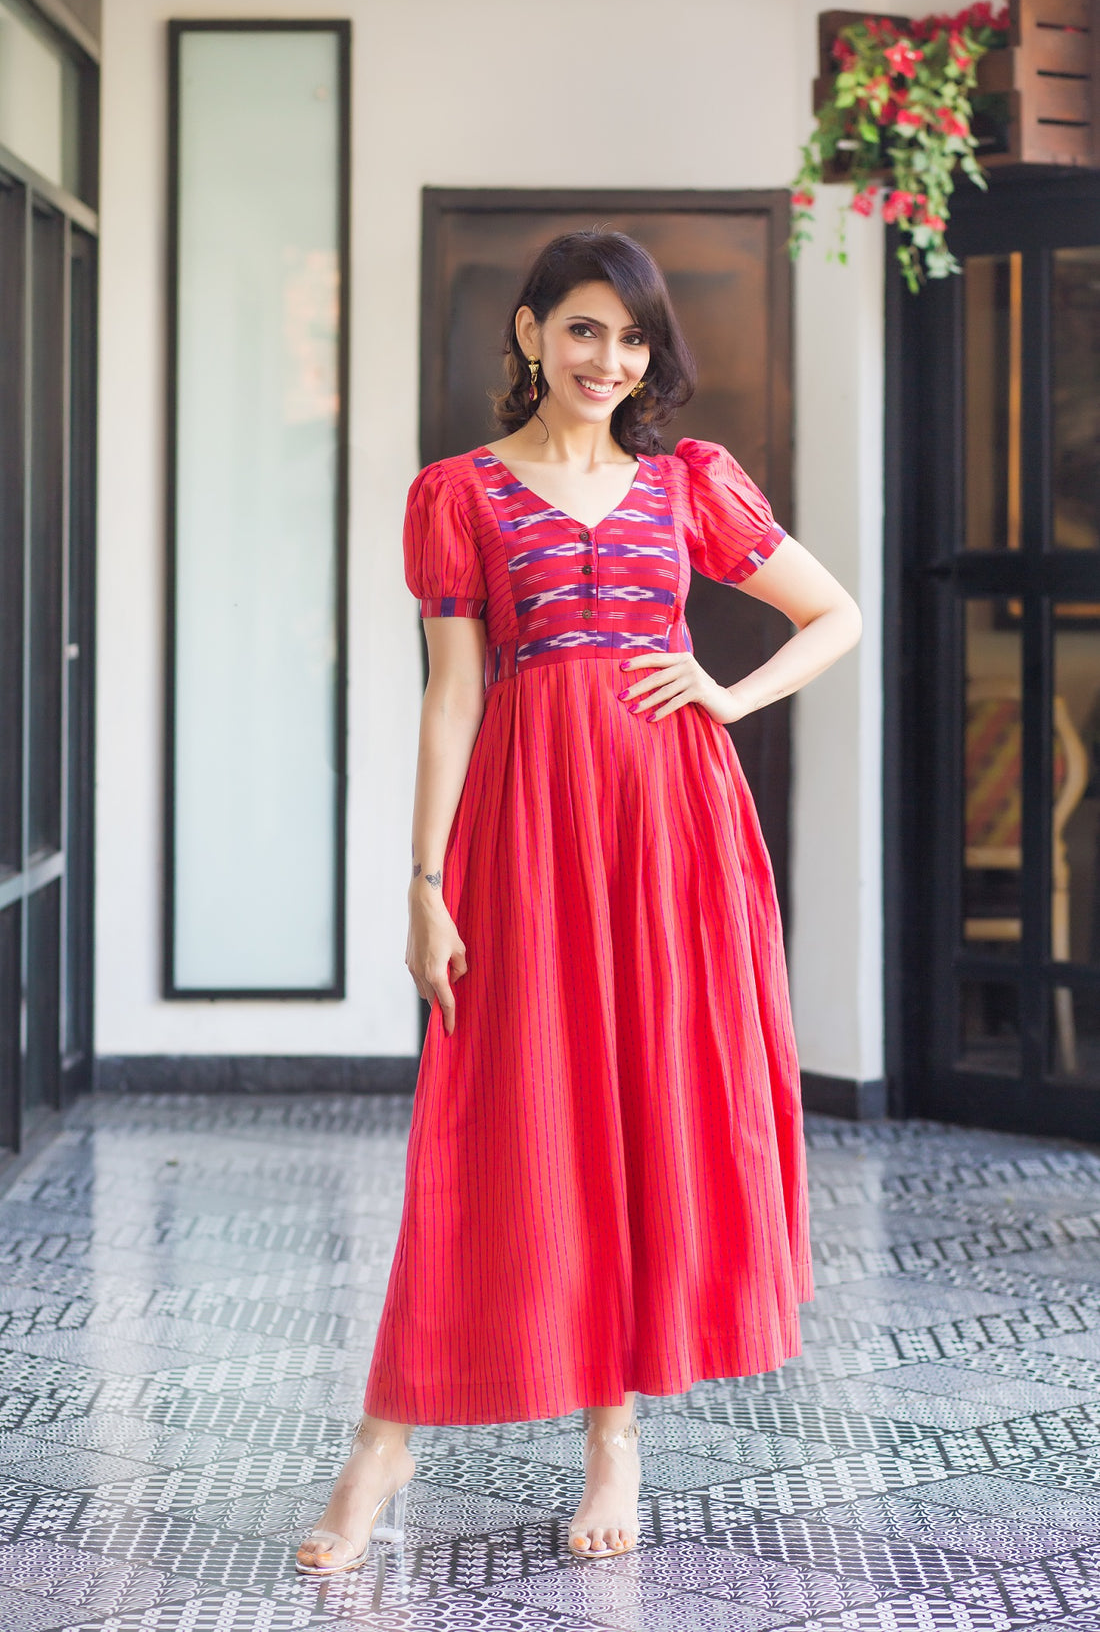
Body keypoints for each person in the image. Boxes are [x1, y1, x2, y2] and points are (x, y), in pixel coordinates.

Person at [296, 229, 861, 1576]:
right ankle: (388, 1436)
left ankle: (618, 1433)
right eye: (585, 331)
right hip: (526, 834)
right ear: (531, 334)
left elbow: (830, 615)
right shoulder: (462, 496)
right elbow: (453, 694)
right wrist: (423, 885)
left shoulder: (690, 488)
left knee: (648, 1110)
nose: (610, 360)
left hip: (674, 830)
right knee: (495, 1120)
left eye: (633, 338)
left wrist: (726, 693)